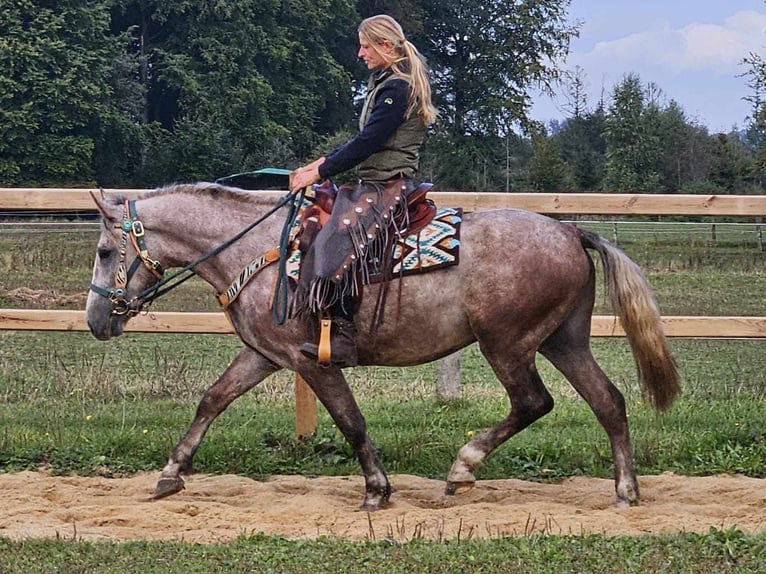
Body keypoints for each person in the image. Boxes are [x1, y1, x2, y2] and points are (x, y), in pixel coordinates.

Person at [290, 14, 437, 367]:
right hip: (374, 181)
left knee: (332, 245)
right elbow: (362, 140)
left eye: (366, 45)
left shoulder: (397, 87)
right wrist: (318, 166)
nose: (360, 53)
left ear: (386, 46)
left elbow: (369, 141)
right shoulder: (389, 82)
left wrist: (321, 170)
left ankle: (343, 338)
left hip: (387, 185)